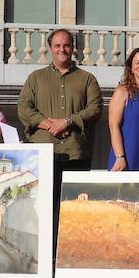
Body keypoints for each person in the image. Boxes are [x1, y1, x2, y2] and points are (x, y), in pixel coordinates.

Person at [17, 27, 104, 178]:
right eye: (57, 46)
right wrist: (50, 125)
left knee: (72, 202)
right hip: (42, 153)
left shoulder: (87, 79)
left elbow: (95, 109)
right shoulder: (36, 78)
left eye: (66, 45)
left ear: (72, 48)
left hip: (75, 153)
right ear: (50, 49)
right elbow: (24, 108)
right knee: (44, 201)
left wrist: (68, 122)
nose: (62, 50)